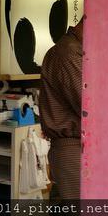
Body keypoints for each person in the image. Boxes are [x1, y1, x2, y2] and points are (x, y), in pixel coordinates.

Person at [39, 18, 84, 200]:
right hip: (73, 148)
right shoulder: (68, 52)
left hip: (81, 146)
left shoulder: (78, 49)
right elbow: (90, 106)